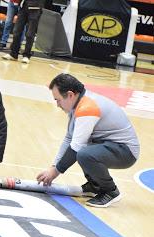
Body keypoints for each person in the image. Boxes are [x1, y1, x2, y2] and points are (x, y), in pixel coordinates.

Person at [36, 73, 140, 208]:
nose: (57, 104)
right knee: (83, 149)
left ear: (70, 95)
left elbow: (76, 147)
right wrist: (53, 166)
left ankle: (110, 191)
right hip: (113, 146)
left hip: (126, 152)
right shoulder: (78, 103)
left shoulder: (87, 108)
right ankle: (95, 185)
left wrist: (55, 173)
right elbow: (69, 139)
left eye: (58, 100)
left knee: (84, 153)